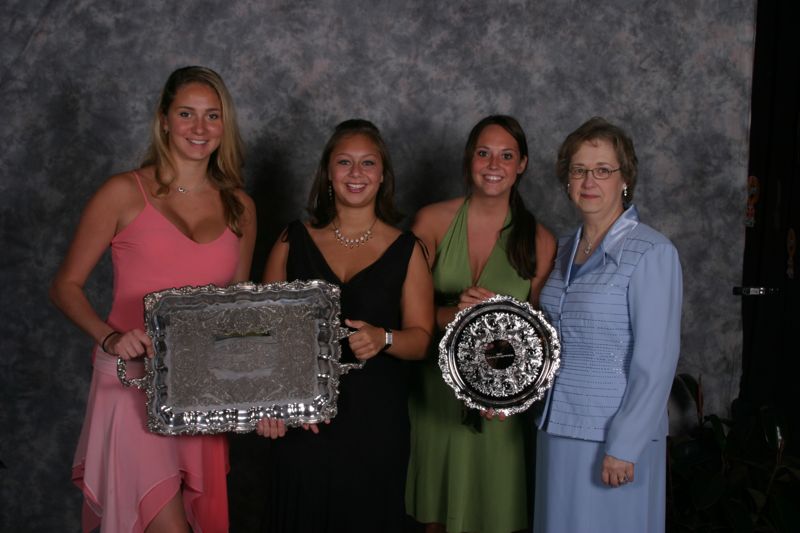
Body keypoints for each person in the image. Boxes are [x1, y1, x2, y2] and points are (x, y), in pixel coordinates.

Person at [49, 66, 256, 533]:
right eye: (186, 114)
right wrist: (109, 337)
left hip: (202, 391)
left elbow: (241, 314)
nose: (199, 129)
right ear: (164, 119)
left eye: (212, 116)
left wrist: (264, 399)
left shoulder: (240, 206)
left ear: (225, 126)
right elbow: (64, 286)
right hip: (131, 384)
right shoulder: (122, 192)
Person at [255, 119, 434, 533]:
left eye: (368, 163)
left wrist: (384, 338)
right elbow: (261, 334)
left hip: (375, 423)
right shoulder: (291, 240)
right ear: (328, 174)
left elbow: (421, 341)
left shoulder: (408, 250)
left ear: (383, 175)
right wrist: (271, 404)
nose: (357, 173)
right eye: (345, 162)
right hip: (302, 422)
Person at [406, 115, 556, 533]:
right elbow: (406, 313)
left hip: (499, 409)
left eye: (507, 155)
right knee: (434, 517)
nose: (494, 164)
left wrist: (509, 395)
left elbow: (540, 337)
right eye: (484, 153)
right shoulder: (431, 222)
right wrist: (453, 314)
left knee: (496, 517)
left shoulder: (541, 241)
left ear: (522, 164)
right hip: (434, 394)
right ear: (470, 158)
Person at [533, 117, 682, 533]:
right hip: (558, 425)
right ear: (566, 179)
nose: (589, 181)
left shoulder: (652, 251)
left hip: (613, 438)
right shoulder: (563, 249)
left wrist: (625, 445)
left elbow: (656, 360)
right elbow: (546, 335)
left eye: (603, 170)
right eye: (579, 170)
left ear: (624, 179)